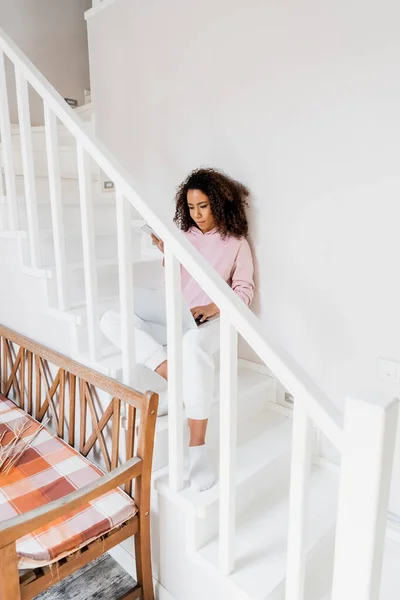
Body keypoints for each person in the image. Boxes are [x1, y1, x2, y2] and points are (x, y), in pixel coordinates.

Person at [100, 168, 254, 492]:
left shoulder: (236, 242)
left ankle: (197, 451)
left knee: (195, 346)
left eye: (203, 206)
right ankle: (176, 378)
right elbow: (179, 280)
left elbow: (244, 291)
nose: (197, 215)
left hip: (211, 319)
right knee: (110, 318)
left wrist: (213, 307)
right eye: (192, 207)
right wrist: (165, 251)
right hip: (177, 309)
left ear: (218, 203)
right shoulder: (186, 235)